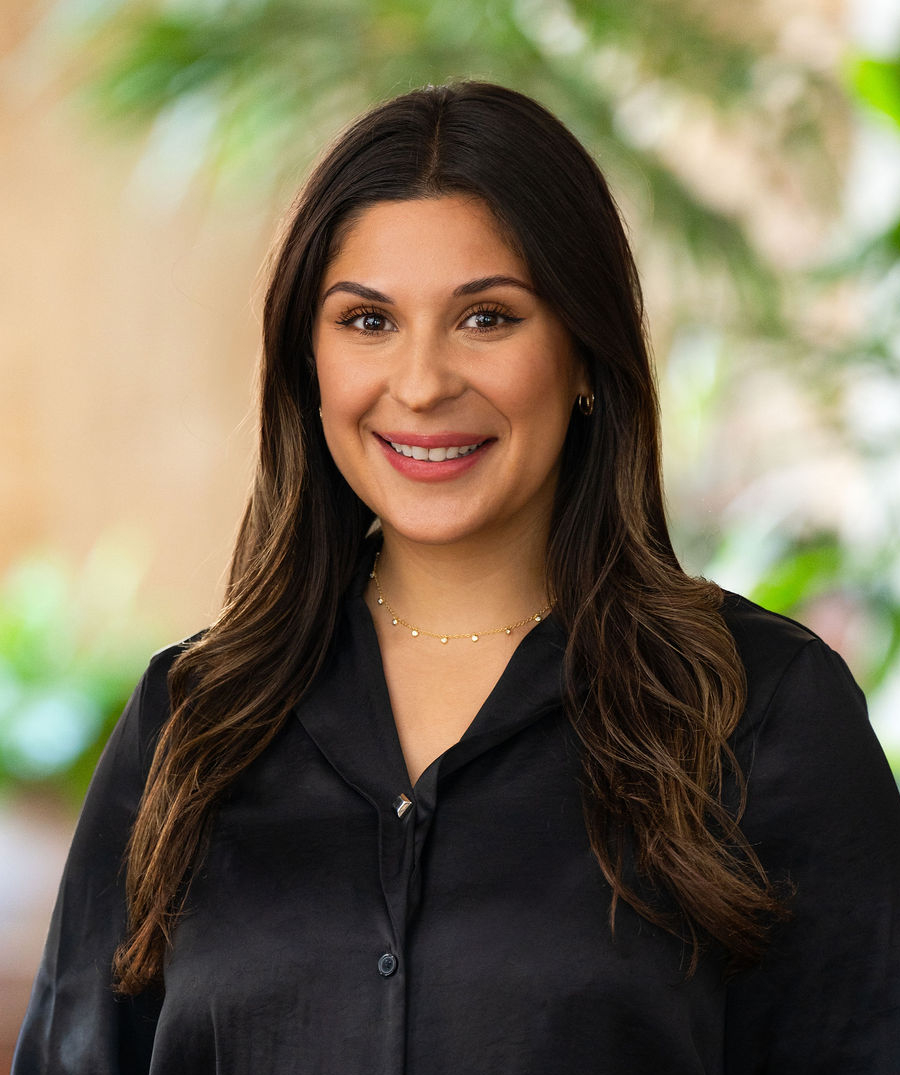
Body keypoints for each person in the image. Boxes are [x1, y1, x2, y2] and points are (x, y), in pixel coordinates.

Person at [13, 81, 900, 1074]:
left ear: (583, 355)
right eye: (367, 322)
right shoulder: (193, 721)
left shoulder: (762, 713)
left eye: (486, 317)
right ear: (309, 365)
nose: (424, 382)